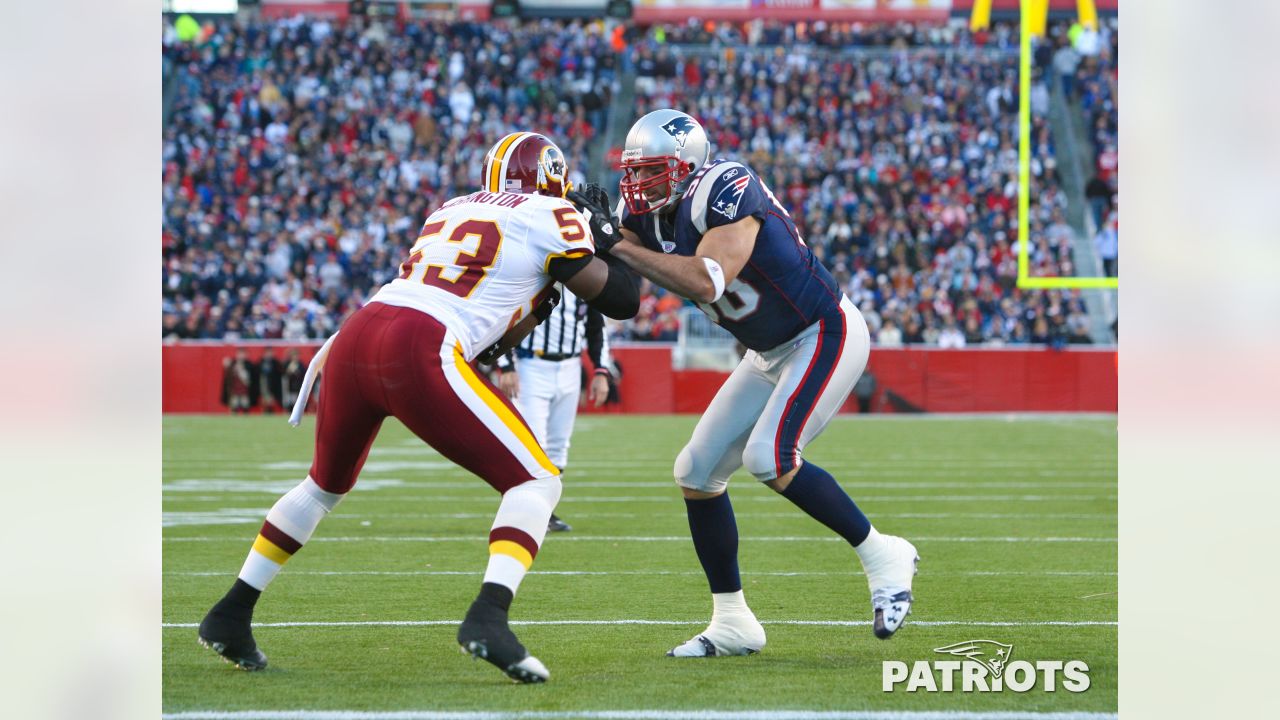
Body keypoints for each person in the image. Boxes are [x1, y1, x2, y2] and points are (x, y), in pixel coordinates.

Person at [197, 132, 639, 683]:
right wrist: (609, 239)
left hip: (358, 331)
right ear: (550, 177)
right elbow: (622, 300)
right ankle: (488, 617)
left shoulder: (449, 208)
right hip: (418, 342)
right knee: (537, 482)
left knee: (323, 486)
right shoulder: (551, 211)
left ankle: (231, 611)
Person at [574, 109, 918, 657]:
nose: (637, 185)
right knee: (696, 470)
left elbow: (706, 281)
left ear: (686, 167)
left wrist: (613, 243)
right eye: (632, 172)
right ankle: (732, 621)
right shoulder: (640, 215)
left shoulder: (726, 186)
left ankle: (883, 553)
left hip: (821, 331)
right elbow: (620, 287)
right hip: (767, 350)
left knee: (770, 456)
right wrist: (574, 245)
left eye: (651, 171)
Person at [493, 288, 614, 533]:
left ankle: (544, 510)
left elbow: (596, 329)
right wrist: (506, 365)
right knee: (533, 442)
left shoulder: (584, 282)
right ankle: (526, 510)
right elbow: (502, 321)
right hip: (531, 366)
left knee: (559, 446)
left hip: (570, 365)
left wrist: (601, 371)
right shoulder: (532, 279)